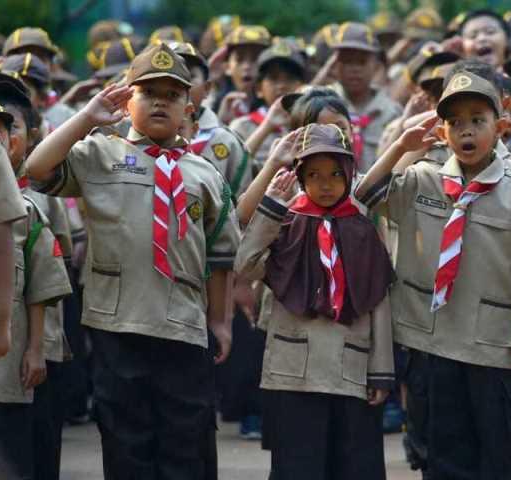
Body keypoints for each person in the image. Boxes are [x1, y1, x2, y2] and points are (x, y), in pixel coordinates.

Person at [25, 43, 240, 479]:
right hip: (116, 324)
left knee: (185, 439)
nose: (161, 100)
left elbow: (221, 256)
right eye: (148, 92)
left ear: (188, 107)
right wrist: (87, 117)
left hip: (183, 323)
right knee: (126, 441)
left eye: (173, 94)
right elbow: (36, 168)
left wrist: (220, 321)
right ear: (128, 99)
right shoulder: (99, 153)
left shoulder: (204, 173)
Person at [356, 70, 511, 479]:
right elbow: (366, 195)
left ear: (501, 127)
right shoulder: (421, 179)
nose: (466, 131)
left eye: (477, 120)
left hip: (492, 341)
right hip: (431, 338)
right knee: (442, 451)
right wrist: (400, 146)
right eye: (455, 122)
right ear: (442, 130)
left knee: (500, 450)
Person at [235, 123, 395, 479]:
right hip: (294, 371)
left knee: (353, 466)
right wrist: (271, 208)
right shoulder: (286, 221)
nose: (325, 184)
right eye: (314, 174)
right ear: (300, 176)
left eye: (336, 174)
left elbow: (378, 300)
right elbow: (244, 266)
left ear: (351, 174)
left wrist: (381, 370)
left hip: (350, 369)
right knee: (297, 466)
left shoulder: (363, 227)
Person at [0, 97, 72, 480]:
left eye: (3, 130)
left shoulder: (26, 211)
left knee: (9, 454)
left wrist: (35, 350)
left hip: (9, 361)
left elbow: (41, 288)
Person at [170, 41, 253, 198]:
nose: (181, 82)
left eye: (190, 75)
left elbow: (241, 202)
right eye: (173, 74)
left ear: (207, 88)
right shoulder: (140, 134)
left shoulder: (228, 141)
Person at [331, 22, 402, 172]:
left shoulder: (392, 112)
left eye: (362, 62)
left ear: (376, 65)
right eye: (347, 61)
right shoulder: (322, 106)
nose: (355, 69)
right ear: (335, 64)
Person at [230, 40, 305, 172]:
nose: (282, 85)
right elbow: (231, 169)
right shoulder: (242, 126)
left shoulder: (310, 124)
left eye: (290, 78)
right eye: (273, 78)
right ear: (259, 89)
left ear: (301, 86)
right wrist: (267, 127)